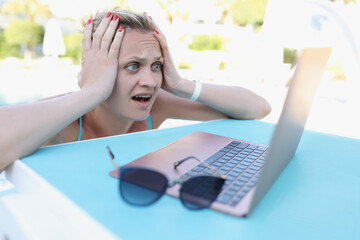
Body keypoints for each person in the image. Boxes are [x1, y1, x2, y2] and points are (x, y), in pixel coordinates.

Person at [0, 8, 271, 172]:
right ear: (97, 71)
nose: (151, 81)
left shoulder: (157, 106)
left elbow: (257, 108)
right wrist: (92, 92)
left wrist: (181, 85)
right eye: (132, 66)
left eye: (156, 66)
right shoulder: (63, 121)